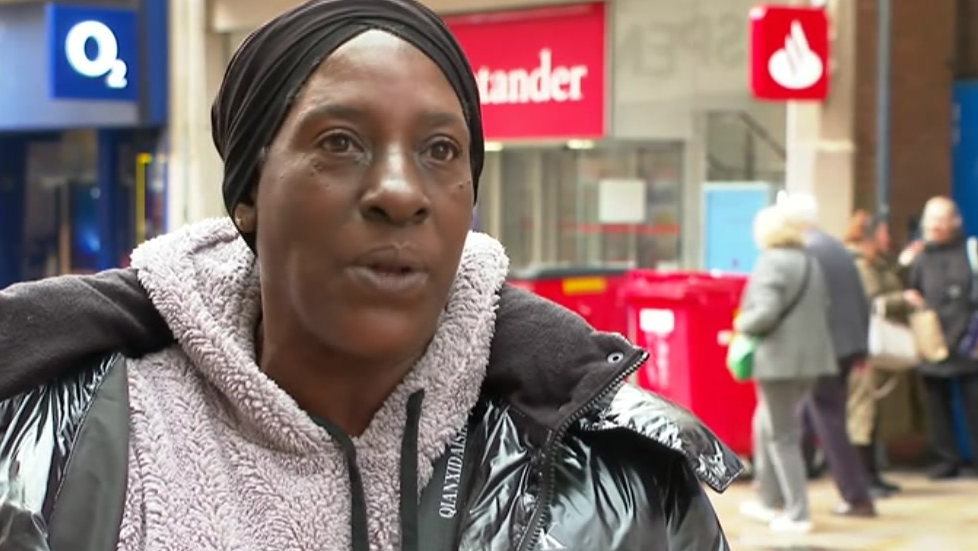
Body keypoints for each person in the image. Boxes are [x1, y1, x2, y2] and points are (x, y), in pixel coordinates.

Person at [0, 1, 742, 549]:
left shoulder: (624, 481)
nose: (401, 190)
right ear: (249, 194)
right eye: (341, 141)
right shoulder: (46, 445)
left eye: (442, 151)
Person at [735, 205, 837, 534]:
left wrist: (741, 323)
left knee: (783, 436)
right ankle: (767, 500)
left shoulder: (771, 262)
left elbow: (765, 312)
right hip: (811, 360)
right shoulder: (809, 261)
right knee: (767, 425)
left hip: (779, 361)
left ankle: (798, 512)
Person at [779, 192, 877, 517]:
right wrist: (862, 346)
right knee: (808, 416)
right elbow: (860, 299)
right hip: (846, 345)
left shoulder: (806, 251)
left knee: (827, 419)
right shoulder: (835, 246)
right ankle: (789, 486)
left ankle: (857, 496)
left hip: (824, 349)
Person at [904, 196, 978, 479]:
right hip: (932, 342)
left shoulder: (971, 251)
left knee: (975, 406)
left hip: (969, 343)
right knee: (936, 408)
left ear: (955, 221)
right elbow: (908, 291)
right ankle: (947, 460)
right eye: (930, 219)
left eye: (940, 218)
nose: (935, 225)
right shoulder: (920, 257)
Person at [842, 211, 909, 495]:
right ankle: (863, 480)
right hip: (861, 348)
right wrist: (901, 299)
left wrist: (904, 265)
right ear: (869, 235)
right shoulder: (859, 264)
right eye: (883, 233)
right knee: (862, 414)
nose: (888, 239)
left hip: (866, 347)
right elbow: (871, 301)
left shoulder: (876, 263)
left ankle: (872, 475)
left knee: (871, 415)